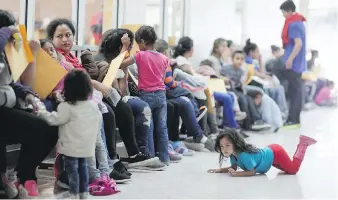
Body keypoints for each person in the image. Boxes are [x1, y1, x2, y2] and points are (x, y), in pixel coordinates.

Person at [46, 19, 156, 181]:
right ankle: (109, 161)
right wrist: (96, 83)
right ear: (52, 39)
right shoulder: (56, 59)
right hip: (72, 100)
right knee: (108, 113)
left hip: (88, 96)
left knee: (122, 107)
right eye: (59, 36)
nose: (64, 39)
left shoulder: (74, 59)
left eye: (68, 35)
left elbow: (119, 88)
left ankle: (127, 155)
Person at [0, 9, 59, 199]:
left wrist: (28, 95)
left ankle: (21, 174)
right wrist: (9, 32)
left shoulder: (5, 55)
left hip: (9, 107)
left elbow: (14, 83)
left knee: (49, 128)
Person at [120, 25, 170, 164]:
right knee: (162, 128)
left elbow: (121, 63)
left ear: (142, 41)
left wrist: (125, 47)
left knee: (148, 126)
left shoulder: (140, 55)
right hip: (161, 95)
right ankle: (165, 159)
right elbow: (163, 78)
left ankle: (150, 157)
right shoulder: (164, 58)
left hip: (146, 95)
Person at [154, 39, 212, 152]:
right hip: (162, 92)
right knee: (184, 98)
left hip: (163, 91)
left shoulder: (169, 62)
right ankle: (198, 133)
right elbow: (170, 82)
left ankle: (187, 137)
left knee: (183, 100)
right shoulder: (166, 63)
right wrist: (177, 83)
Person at [208, 128, 317, 176]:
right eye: (222, 146)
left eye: (227, 145)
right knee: (287, 171)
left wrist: (235, 174)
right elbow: (234, 167)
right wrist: (219, 170)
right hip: (269, 156)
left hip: (275, 153)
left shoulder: (243, 155)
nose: (224, 149)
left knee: (293, 170)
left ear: (235, 144)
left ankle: (303, 144)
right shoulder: (233, 155)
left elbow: (251, 172)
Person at [220, 50, 271, 131]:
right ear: (232, 59)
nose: (239, 61)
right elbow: (221, 79)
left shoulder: (241, 71)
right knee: (243, 99)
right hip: (228, 89)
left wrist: (243, 80)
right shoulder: (225, 68)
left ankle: (256, 120)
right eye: (237, 59)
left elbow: (240, 84)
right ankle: (248, 125)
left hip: (237, 89)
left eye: (242, 59)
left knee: (249, 99)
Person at [277, 0, 307, 128]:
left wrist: (289, 58)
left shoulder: (294, 24)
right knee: (295, 91)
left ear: (289, 11)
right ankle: (293, 119)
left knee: (294, 92)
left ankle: (293, 120)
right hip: (297, 63)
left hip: (293, 63)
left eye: (283, 12)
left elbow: (298, 43)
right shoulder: (299, 22)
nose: (283, 15)